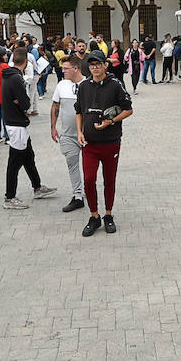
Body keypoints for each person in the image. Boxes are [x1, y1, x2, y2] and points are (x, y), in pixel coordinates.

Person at [75, 51, 133, 237]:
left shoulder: (115, 84)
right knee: (89, 179)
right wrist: (79, 132)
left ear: (104, 65)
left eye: (98, 64)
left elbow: (129, 110)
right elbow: (78, 112)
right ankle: (94, 216)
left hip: (111, 143)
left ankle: (108, 214)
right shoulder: (83, 86)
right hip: (89, 144)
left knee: (109, 180)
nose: (95, 67)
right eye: (91, 64)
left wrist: (111, 121)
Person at [0, 49, 57, 209]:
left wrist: (20, 101)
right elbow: (26, 104)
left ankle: (37, 187)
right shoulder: (16, 78)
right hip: (16, 124)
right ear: (26, 62)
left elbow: (22, 102)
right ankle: (9, 197)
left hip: (17, 122)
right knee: (14, 162)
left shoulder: (8, 75)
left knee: (28, 157)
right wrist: (21, 101)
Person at [50, 55, 87, 214]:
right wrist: (53, 127)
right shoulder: (61, 85)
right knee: (72, 165)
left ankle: (90, 194)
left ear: (76, 68)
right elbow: (55, 106)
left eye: (66, 68)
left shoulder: (88, 84)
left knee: (89, 169)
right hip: (68, 135)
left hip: (88, 135)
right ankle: (77, 196)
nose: (62, 70)